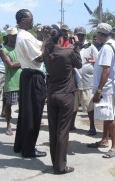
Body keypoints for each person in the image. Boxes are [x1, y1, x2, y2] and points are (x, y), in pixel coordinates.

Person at [43, 26, 82, 174]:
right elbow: (79, 64)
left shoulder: (47, 53)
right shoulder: (68, 51)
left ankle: (56, 163)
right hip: (66, 95)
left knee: (54, 130)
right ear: (61, 38)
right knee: (63, 132)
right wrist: (76, 46)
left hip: (52, 95)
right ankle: (60, 166)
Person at [13, 9, 47, 158]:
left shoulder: (25, 36)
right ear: (22, 20)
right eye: (30, 18)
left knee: (26, 114)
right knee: (33, 115)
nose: (32, 20)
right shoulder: (25, 37)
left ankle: (21, 145)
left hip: (27, 76)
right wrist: (48, 44)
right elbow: (39, 58)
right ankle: (29, 149)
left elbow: (39, 44)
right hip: (34, 77)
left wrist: (44, 40)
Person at [87, 23, 115, 158]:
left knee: (109, 116)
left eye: (97, 34)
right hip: (109, 87)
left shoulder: (107, 47)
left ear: (101, 34)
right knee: (107, 115)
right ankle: (105, 140)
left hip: (105, 88)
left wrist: (99, 90)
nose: (96, 37)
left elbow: (106, 70)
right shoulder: (113, 45)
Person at [70, 26, 98, 135]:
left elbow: (98, 60)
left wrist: (90, 60)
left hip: (88, 81)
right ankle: (71, 125)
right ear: (74, 36)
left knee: (89, 106)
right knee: (73, 105)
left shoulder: (91, 47)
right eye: (78, 35)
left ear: (85, 36)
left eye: (82, 35)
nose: (80, 37)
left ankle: (92, 126)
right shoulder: (71, 46)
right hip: (74, 81)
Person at [0, 27, 21, 136]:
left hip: (23, 81)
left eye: (16, 35)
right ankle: (8, 125)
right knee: (9, 105)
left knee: (23, 106)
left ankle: (21, 125)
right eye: (12, 35)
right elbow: (11, 65)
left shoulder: (20, 47)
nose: (14, 37)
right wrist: (23, 61)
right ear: (8, 36)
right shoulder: (3, 50)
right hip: (11, 82)